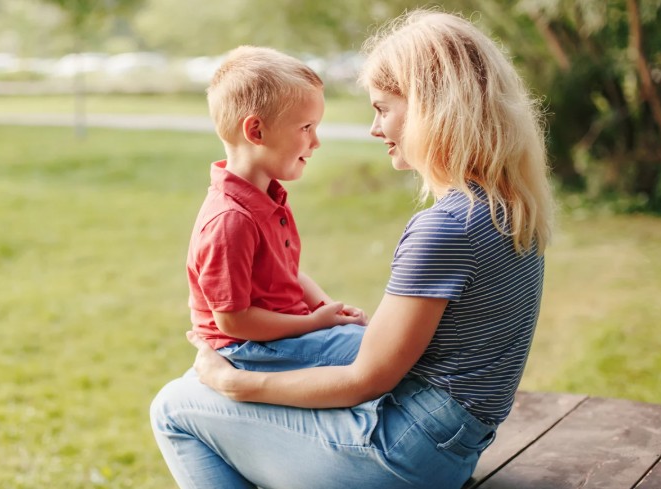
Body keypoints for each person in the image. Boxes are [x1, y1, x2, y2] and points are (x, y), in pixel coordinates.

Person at [151, 8, 554, 489]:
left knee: (174, 406)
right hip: (454, 448)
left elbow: (367, 380)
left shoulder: (446, 229)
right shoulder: (509, 208)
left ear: (432, 107)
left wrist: (236, 384)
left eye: (383, 108)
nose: (374, 128)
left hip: (403, 457)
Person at [186, 45, 368, 373]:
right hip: (247, 350)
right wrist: (313, 323)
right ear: (256, 131)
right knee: (381, 353)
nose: (316, 142)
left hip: (282, 334)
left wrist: (328, 309)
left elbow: (287, 273)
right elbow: (233, 320)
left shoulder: (265, 198)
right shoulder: (231, 220)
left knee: (375, 343)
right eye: (306, 128)